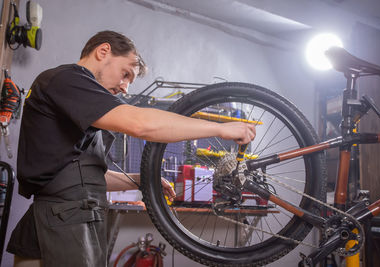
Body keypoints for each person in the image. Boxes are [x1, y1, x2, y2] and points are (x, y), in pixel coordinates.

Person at [6, 30, 256, 267]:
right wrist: (221, 129)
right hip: (64, 217)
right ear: (103, 51)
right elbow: (141, 125)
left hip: (61, 215)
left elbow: (84, 178)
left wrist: (141, 180)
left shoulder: (80, 106)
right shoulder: (67, 80)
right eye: (126, 74)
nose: (126, 87)